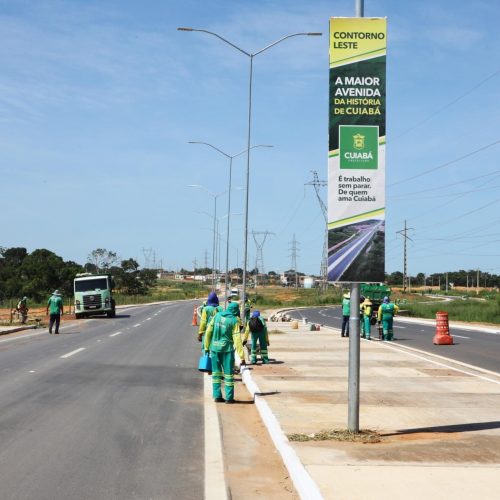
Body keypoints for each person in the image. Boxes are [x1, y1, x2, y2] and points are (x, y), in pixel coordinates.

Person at [204, 301, 245, 404]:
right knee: (228, 375)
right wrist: (242, 356)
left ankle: (217, 396)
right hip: (227, 350)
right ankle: (229, 398)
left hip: (214, 349)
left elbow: (208, 331)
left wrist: (206, 347)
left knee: (216, 374)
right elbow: (237, 339)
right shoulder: (234, 320)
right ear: (236, 310)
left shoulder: (217, 316)